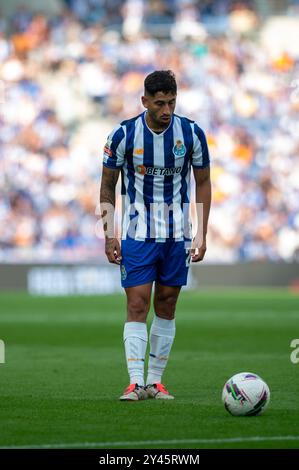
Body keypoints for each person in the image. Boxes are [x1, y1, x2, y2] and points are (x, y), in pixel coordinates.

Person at [100, 70, 211, 400]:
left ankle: (155, 382)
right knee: (137, 303)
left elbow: (203, 182)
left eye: (172, 103)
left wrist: (202, 232)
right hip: (138, 232)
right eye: (160, 103)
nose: (166, 110)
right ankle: (135, 382)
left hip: (178, 233)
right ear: (144, 101)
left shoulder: (191, 133)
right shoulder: (122, 135)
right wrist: (110, 233)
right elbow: (107, 186)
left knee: (167, 303)